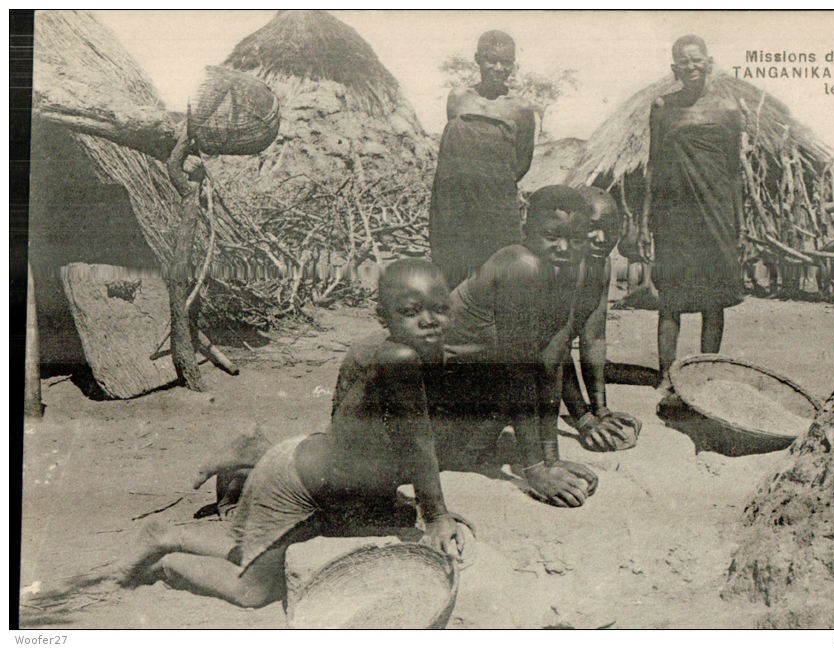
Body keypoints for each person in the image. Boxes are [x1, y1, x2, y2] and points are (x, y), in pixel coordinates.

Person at [117, 260, 464, 608]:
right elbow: (418, 441)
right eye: (410, 311)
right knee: (253, 591)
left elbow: (349, 424)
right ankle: (167, 557)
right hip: (298, 487)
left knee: (257, 554)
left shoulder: (385, 349)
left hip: (315, 471)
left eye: (439, 309)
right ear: (383, 315)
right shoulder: (398, 358)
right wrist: (436, 515)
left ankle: (176, 532)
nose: (429, 320)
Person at [439, 185, 599, 508]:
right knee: (463, 451)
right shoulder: (520, 265)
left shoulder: (573, 268)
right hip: (441, 387)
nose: (564, 247)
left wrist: (552, 458)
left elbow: (552, 360)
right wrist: (536, 470)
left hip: (482, 379)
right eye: (551, 235)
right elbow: (519, 369)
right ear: (527, 228)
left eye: (576, 239)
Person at [638, 35, 745, 388]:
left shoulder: (728, 110)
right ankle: (666, 375)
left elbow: (733, 172)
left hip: (715, 212)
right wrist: (643, 221)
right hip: (674, 215)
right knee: (671, 297)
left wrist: (739, 225)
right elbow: (652, 166)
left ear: (709, 62)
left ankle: (707, 373)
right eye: (684, 61)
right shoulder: (661, 107)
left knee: (713, 299)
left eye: (697, 60)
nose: (692, 66)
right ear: (674, 68)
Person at [429, 30, 536, 289]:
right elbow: (456, 148)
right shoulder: (458, 98)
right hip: (455, 204)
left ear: (513, 64)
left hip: (495, 206)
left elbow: (522, 162)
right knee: (451, 270)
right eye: (491, 60)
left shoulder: (521, 109)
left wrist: (492, 185)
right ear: (478, 59)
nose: (499, 68)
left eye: (506, 62)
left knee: (497, 273)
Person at [560, 187, 642, 451]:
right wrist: (583, 418)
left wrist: (602, 410)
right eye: (592, 227)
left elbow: (593, 339)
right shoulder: (560, 264)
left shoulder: (601, 265)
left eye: (610, 228)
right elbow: (553, 346)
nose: (602, 238)